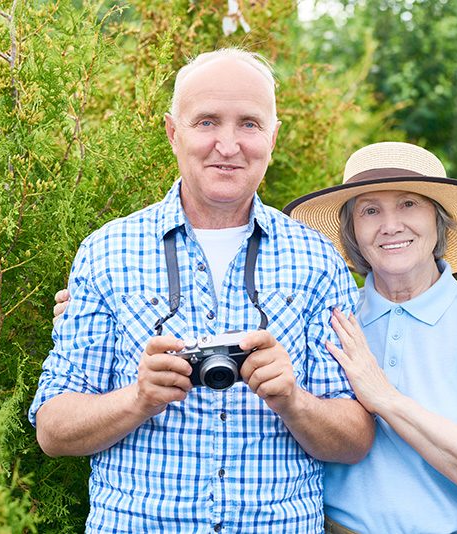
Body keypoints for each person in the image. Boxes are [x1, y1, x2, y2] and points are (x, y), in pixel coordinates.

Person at [28, 48, 375, 533]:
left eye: (249, 124)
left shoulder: (319, 261)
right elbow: (53, 430)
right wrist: (139, 398)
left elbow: (357, 439)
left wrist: (293, 399)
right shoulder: (106, 251)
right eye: (207, 121)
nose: (228, 145)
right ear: (173, 132)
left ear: (273, 138)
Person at [284, 141, 457, 534]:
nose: (390, 225)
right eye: (370, 210)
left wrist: (386, 400)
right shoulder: (330, 321)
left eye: (409, 204)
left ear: (439, 219)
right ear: (353, 231)